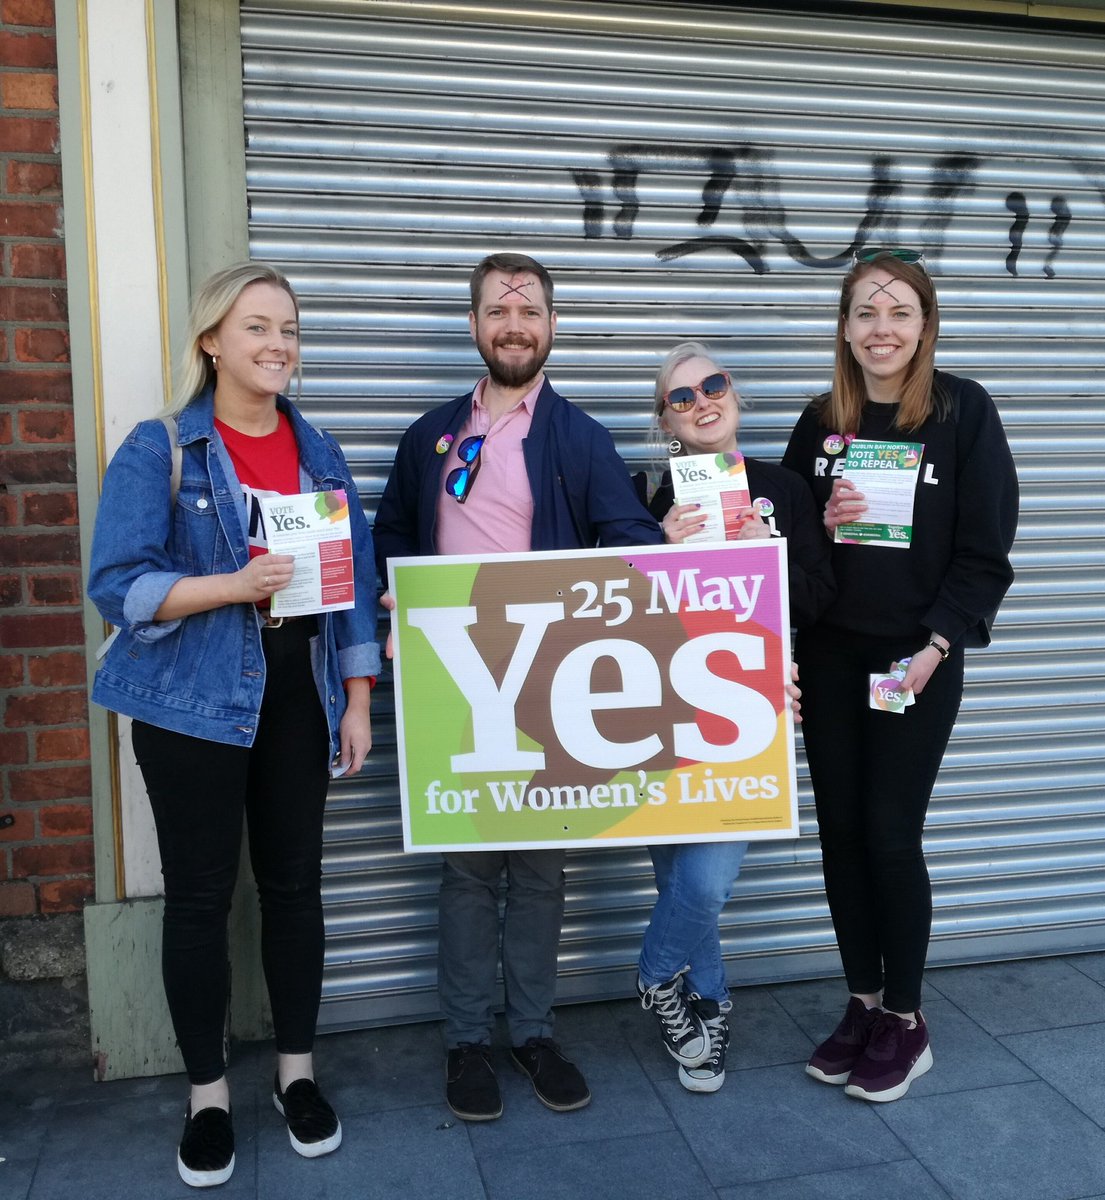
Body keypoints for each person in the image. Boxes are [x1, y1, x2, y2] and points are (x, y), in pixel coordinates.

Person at [87, 262, 381, 1186]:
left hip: (299, 698)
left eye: (289, 328)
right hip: (190, 704)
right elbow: (116, 586)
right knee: (201, 898)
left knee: (296, 889)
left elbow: (355, 595)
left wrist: (360, 699)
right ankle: (206, 1096)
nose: (278, 345)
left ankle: (297, 1077)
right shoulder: (161, 448)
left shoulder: (319, 453)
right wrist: (233, 586)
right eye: (257, 328)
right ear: (212, 341)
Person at [373, 251, 662, 1122]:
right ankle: (465, 1042)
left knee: (539, 873)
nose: (513, 323)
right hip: (453, 677)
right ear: (473, 326)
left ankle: (532, 1032)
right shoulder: (431, 434)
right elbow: (387, 534)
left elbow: (631, 539)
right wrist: (390, 602)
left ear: (550, 326)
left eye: (529, 309)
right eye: (498, 309)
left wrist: (692, 548)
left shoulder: (578, 436)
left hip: (548, 681)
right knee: (465, 872)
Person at [781, 248, 1018, 1103]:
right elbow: (790, 547)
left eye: (898, 313)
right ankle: (862, 1002)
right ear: (843, 328)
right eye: (864, 314)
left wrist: (935, 648)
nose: (881, 329)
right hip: (830, 656)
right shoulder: (820, 421)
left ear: (924, 324)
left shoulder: (960, 413)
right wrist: (815, 520)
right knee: (839, 836)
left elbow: (984, 553)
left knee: (888, 833)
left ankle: (907, 1021)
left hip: (912, 659)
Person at [635, 342, 834, 1093]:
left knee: (707, 882)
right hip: (667, 715)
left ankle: (655, 978)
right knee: (679, 880)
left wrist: (771, 553)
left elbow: (819, 599)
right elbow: (623, 615)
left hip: (752, 715)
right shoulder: (655, 500)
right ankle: (708, 1013)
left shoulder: (784, 486)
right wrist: (658, 548)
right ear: (667, 422)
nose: (700, 402)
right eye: (679, 398)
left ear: (734, 394)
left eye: (711, 385)